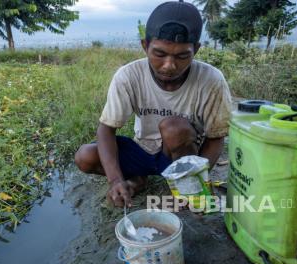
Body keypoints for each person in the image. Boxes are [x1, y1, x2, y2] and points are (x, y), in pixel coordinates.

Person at [74, 1, 232, 208]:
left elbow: (215, 138)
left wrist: (198, 180)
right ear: (145, 46)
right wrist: (115, 180)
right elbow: (106, 129)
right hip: (143, 151)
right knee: (85, 156)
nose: (169, 65)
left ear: (196, 49)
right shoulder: (129, 76)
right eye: (159, 54)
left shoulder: (211, 80)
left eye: (182, 56)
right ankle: (137, 178)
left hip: (180, 155)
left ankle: (184, 182)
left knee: (174, 128)